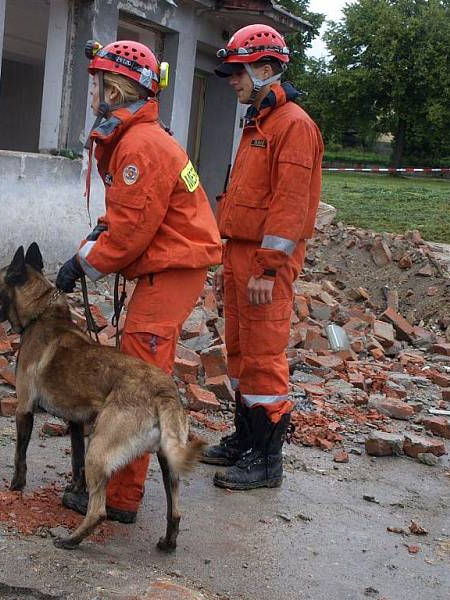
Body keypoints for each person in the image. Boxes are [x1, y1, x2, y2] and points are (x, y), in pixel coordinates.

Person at [55, 39, 221, 522]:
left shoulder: (140, 146)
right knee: (138, 372)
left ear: (114, 88)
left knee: (137, 384)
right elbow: (127, 218)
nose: (93, 96)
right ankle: (124, 483)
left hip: (171, 267)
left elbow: (128, 235)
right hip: (172, 263)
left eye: (97, 86)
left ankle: (120, 499)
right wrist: (95, 241)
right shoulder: (142, 138)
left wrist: (82, 265)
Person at [199, 24, 324, 490]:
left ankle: (267, 462)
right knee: (240, 352)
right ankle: (245, 440)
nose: (232, 80)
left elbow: (290, 206)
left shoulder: (293, 126)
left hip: (264, 263)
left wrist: (268, 267)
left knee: (264, 356)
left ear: (266, 68)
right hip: (241, 257)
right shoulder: (259, 123)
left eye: (238, 72)